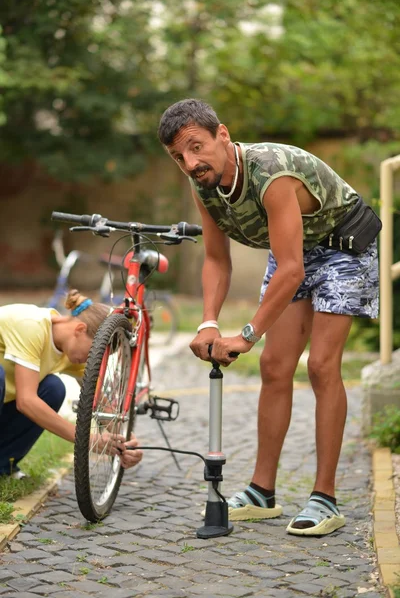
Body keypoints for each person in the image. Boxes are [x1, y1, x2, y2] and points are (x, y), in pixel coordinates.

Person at [158, 98, 380, 536]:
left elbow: (292, 267)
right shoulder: (201, 184)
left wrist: (245, 333)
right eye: (178, 157)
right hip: (292, 251)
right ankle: (263, 492)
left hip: (344, 247)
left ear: (222, 134)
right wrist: (207, 321)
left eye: (197, 147)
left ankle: (326, 497)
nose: (190, 162)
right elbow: (218, 261)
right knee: (274, 366)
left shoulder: (269, 172)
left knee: (320, 366)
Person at [0, 289, 143, 478]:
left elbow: (99, 400)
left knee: (53, 388)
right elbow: (26, 401)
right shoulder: (32, 325)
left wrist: (126, 440)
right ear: (80, 329)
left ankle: (3, 465)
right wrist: (87, 439)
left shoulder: (72, 353)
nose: (95, 361)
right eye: (94, 353)